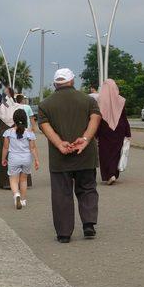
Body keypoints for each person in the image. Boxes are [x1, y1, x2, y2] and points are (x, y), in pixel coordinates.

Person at [38, 68, 102, 243]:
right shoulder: (88, 100)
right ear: (72, 81)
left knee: (61, 194)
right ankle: (89, 224)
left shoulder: (45, 104)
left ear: (55, 84)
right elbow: (95, 119)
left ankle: (64, 233)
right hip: (85, 154)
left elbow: (44, 126)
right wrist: (85, 139)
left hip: (60, 158)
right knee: (87, 188)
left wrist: (59, 143)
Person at [1, 109, 40, 209]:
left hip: (14, 158)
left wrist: (3, 159)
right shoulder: (29, 133)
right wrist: (36, 160)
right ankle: (23, 200)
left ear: (14, 120)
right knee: (23, 180)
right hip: (26, 159)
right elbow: (33, 148)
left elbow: (5, 147)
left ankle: (16, 195)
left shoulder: (8, 132)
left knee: (13, 180)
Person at [96, 79, 131, 185]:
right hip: (119, 129)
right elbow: (124, 118)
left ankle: (109, 174)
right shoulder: (121, 100)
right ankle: (113, 174)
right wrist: (128, 133)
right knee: (115, 152)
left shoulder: (99, 100)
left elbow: (96, 118)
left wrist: (95, 134)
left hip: (104, 129)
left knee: (104, 152)